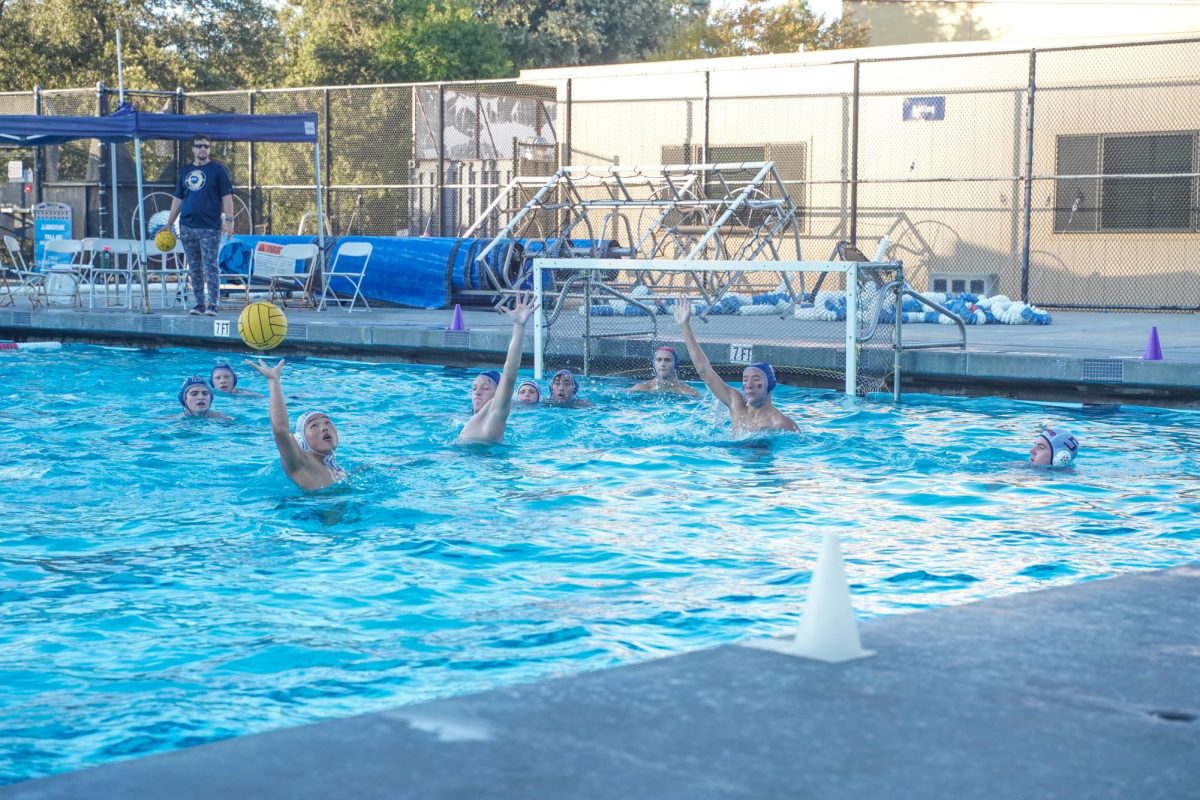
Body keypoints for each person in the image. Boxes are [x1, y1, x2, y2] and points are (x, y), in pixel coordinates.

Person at [673, 293, 798, 434]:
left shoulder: (780, 423)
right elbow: (704, 371)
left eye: (755, 380)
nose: (748, 385)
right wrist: (685, 326)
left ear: (769, 384)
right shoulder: (736, 404)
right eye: (745, 380)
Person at [245, 358, 347, 490]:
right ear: (301, 440)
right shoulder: (301, 463)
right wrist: (273, 381)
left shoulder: (336, 469)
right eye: (314, 425)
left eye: (327, 422)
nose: (324, 428)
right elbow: (280, 431)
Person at [164, 134, 235, 317]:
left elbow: (227, 197)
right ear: (193, 149)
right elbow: (178, 198)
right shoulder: (185, 170)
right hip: (187, 226)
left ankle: (213, 304)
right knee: (194, 267)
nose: (203, 149)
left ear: (209, 149)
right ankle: (199, 303)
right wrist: (169, 223)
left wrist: (229, 221)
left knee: (210, 266)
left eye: (206, 146)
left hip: (209, 227)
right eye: (199, 146)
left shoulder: (218, 170)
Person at [457, 292, 535, 443]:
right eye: (474, 388)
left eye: (485, 388)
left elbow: (510, 374)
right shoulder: (472, 420)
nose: (477, 392)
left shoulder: (496, 413)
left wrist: (518, 327)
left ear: (499, 392)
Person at [630, 345, 699, 395]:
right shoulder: (641, 387)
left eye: (667, 360)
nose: (662, 364)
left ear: (675, 364)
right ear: (654, 363)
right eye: (658, 360)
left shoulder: (688, 392)